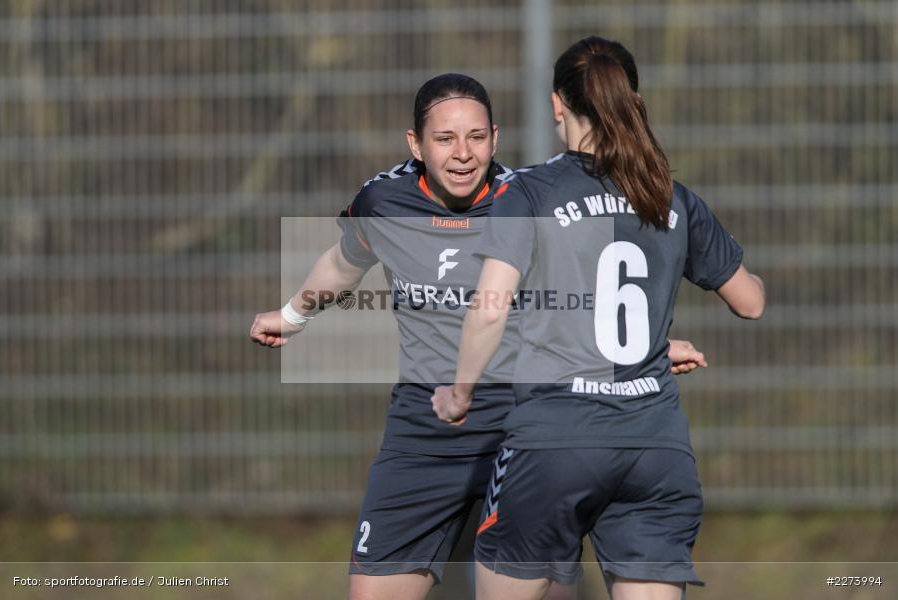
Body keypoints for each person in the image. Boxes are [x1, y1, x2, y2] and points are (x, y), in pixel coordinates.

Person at [250, 73, 708, 600]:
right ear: (415, 145)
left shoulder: (529, 200)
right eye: (445, 139)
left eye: (476, 138)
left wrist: (646, 349)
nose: (463, 154)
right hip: (425, 428)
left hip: (524, 426)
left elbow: (587, 297)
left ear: (495, 137)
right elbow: (342, 263)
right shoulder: (384, 202)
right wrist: (293, 314)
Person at [431, 36, 765, 600]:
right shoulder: (670, 196)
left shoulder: (528, 193)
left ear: (557, 104)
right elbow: (750, 302)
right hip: (655, 449)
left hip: (554, 442)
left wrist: (459, 393)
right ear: (630, 102)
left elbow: (490, 309)